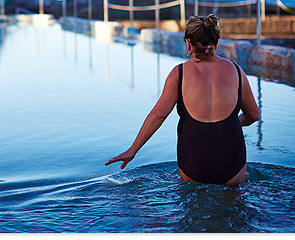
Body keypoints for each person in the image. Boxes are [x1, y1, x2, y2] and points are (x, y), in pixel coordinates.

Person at [105, 14, 260, 185]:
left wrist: (132, 150)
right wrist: (228, 123)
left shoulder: (179, 74)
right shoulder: (237, 73)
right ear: (217, 43)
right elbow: (254, 115)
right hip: (232, 167)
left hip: (193, 168)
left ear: (188, 43)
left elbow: (158, 114)